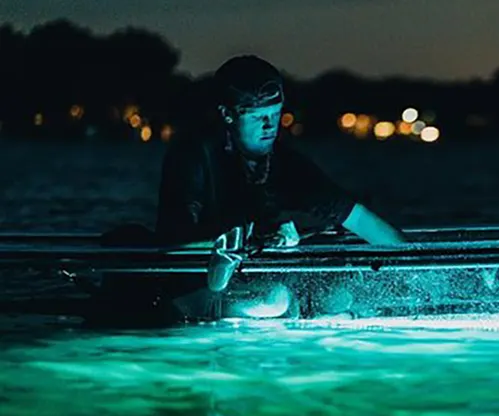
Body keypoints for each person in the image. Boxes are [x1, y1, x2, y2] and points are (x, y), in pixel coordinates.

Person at [152, 54, 406, 320]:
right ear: (227, 115)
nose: (269, 126)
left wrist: (415, 272)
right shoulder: (193, 155)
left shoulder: (287, 162)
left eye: (275, 114)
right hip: (189, 286)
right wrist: (256, 234)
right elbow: (175, 236)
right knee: (275, 299)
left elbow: (359, 218)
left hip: (251, 282)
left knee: (339, 295)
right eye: (257, 117)